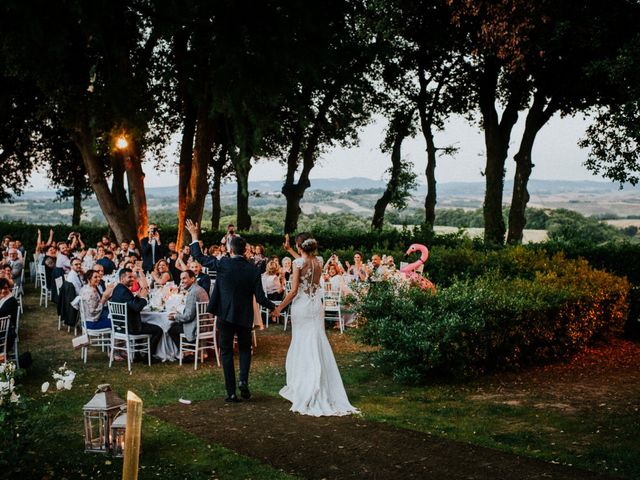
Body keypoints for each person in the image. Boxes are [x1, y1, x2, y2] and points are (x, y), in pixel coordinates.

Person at [186, 219, 276, 403]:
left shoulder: (223, 263)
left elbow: (200, 258)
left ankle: (231, 392)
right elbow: (260, 298)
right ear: (245, 251)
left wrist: (195, 236)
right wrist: (274, 308)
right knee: (245, 349)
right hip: (244, 317)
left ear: (231, 249)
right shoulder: (253, 270)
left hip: (225, 316)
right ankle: (243, 380)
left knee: (226, 351)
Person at [272, 234, 359, 417]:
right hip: (316, 306)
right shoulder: (318, 262)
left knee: (303, 342)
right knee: (316, 340)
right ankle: (323, 383)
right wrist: (289, 250)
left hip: (302, 306)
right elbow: (303, 262)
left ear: (299, 245)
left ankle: (306, 384)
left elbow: (294, 290)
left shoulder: (298, 264)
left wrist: (279, 307)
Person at [110, 268, 163, 360]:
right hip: (130, 327)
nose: (132, 279)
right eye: (129, 277)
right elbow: (137, 307)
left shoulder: (118, 289)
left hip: (120, 326)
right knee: (158, 330)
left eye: (133, 277)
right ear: (122, 279)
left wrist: (137, 297)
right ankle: (148, 357)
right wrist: (143, 298)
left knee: (144, 325)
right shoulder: (124, 291)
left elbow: (130, 303)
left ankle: (137, 355)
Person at [167, 270, 209, 351]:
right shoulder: (199, 289)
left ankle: (187, 352)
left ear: (192, 279)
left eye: (184, 278)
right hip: (205, 325)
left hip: (197, 327)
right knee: (177, 324)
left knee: (171, 329)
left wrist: (175, 316)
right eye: (181, 279)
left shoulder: (193, 293)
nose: (182, 281)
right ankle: (190, 348)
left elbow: (188, 316)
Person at [0, 278, 19, 354]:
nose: (3, 291)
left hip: (6, 332)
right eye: (1, 289)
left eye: (5, 288)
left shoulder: (11, 301)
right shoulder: (4, 299)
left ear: (9, 288)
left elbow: (2, 314)